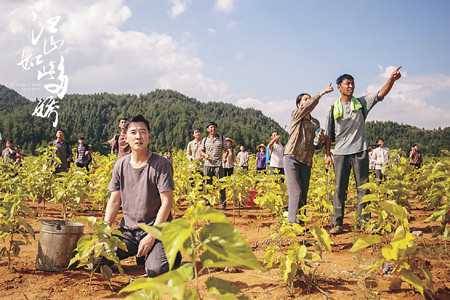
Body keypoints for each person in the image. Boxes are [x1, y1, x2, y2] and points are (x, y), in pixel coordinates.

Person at [325, 66, 402, 234]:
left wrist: (392, 80)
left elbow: (380, 94)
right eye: (347, 84)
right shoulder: (332, 109)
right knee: (339, 189)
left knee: (363, 188)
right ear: (339, 87)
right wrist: (327, 155)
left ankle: (365, 223)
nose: (351, 86)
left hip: (360, 151)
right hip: (339, 153)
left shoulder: (361, 103)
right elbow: (329, 135)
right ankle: (337, 223)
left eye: (353, 84)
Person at [104, 114, 181, 277]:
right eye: (133, 132)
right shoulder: (120, 165)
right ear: (124, 137)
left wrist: (151, 236)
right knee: (97, 259)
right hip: (128, 232)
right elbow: (114, 201)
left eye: (142, 132)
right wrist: (104, 231)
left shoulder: (161, 164)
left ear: (149, 136)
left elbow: (167, 202)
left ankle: (169, 250)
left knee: (156, 270)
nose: (138, 136)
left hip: (156, 228)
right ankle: (142, 250)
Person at [284, 84, 334, 225]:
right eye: (305, 99)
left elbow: (316, 146)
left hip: (306, 160)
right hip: (292, 157)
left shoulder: (315, 123)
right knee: (296, 191)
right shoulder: (296, 115)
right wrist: (321, 93)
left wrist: (321, 141)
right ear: (299, 104)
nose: (309, 100)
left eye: (309, 98)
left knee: (303, 193)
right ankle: (293, 223)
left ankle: (301, 222)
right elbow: (308, 107)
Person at [200, 121, 229, 210]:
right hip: (207, 165)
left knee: (221, 185)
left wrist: (224, 157)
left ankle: (222, 205)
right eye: (211, 127)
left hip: (218, 165)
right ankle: (207, 204)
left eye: (214, 127)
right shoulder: (205, 140)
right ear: (208, 129)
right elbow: (201, 151)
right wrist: (206, 155)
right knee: (207, 185)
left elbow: (226, 151)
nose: (213, 129)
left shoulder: (222, 138)